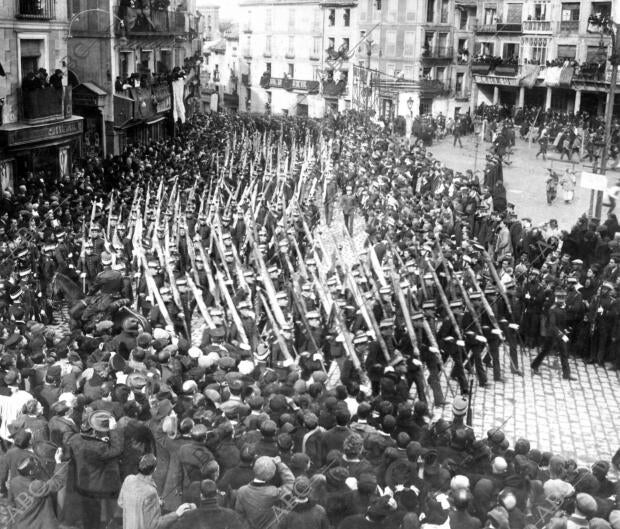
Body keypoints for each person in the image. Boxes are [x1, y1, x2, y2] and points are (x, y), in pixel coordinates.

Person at [118, 454, 195, 529]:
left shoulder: (129, 479)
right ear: (155, 469)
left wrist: (151, 504)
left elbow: (121, 503)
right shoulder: (151, 492)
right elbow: (154, 526)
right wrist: (177, 514)